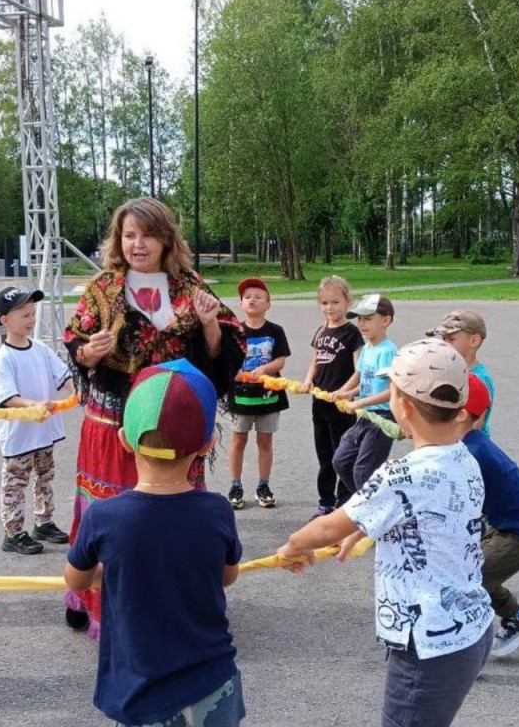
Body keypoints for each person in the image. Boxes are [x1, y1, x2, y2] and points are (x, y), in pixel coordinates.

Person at [279, 338, 493, 727]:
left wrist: (294, 545)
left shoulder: (402, 474)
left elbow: (327, 526)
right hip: (472, 627)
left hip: (428, 645)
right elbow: (430, 522)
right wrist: (366, 529)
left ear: (404, 406)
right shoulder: (465, 457)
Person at [63, 197, 245, 637]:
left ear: (166, 239)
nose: (137, 244)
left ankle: (176, 601)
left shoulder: (189, 286)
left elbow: (229, 346)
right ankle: (93, 599)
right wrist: (89, 353)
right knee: (109, 511)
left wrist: (208, 327)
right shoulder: (103, 288)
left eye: (146, 235)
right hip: (112, 422)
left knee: (174, 508)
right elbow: (75, 341)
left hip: (175, 418)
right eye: (128, 235)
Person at [65, 359, 244, 727]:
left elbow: (76, 581)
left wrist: (110, 570)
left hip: (141, 689)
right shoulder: (217, 511)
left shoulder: (104, 517)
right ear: (208, 443)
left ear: (125, 440)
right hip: (214, 682)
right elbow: (227, 576)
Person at [459, 374, 519, 658]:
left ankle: (467, 655)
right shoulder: (469, 442)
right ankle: (517, 618)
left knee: (469, 582)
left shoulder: (470, 452)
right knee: (474, 571)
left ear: (460, 414)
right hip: (514, 523)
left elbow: (464, 510)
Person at [0, 286, 73, 555]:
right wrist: (33, 405)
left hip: (45, 432)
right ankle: (13, 532)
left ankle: (44, 521)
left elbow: (62, 375)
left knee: (45, 478)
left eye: (32, 314)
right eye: (24, 315)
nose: (31, 320)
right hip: (20, 435)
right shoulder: (5, 358)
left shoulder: (40, 348)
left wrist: (74, 389)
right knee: (15, 483)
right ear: (5, 320)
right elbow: (8, 398)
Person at [301, 276, 363, 518]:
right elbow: (315, 362)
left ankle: (344, 503)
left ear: (348, 302)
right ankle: (325, 501)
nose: (330, 307)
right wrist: (308, 381)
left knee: (343, 457)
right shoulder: (321, 331)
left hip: (342, 405)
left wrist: (344, 392)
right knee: (325, 457)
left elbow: (359, 370)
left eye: (335, 302)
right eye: (325, 303)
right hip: (320, 404)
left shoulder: (352, 334)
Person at [227, 277, 290, 510]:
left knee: (265, 440)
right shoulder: (235, 333)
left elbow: (281, 359)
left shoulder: (275, 331)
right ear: (241, 304)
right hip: (241, 397)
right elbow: (229, 363)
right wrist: (239, 373)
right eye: (247, 297)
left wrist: (264, 369)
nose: (252, 300)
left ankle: (263, 485)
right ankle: (235, 485)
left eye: (258, 296)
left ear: (268, 303)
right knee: (238, 439)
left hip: (268, 397)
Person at [331, 294, 398, 495]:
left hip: (381, 418)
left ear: (386, 321)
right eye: (359, 319)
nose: (361, 324)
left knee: (363, 470)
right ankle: (367, 502)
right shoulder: (368, 347)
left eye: (368, 319)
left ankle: (370, 511)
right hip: (364, 415)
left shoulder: (388, 352)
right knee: (341, 461)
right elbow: (361, 377)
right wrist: (345, 392)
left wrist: (359, 403)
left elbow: (391, 391)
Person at [427, 309, 495, 435]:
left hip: (467, 447)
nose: (444, 344)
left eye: (451, 339)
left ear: (474, 341)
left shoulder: (479, 379)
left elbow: (475, 425)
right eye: (443, 338)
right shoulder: (449, 371)